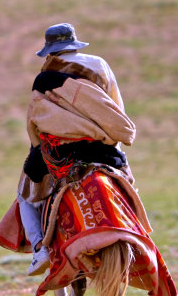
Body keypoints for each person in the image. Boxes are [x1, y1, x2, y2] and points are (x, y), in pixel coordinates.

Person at [18, 22, 129, 276]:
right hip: (101, 146)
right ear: (74, 43)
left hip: (61, 152)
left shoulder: (44, 76)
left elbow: (34, 122)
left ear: (50, 50)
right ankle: (139, 233)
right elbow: (116, 107)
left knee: (25, 196)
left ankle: (39, 251)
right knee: (127, 184)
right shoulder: (100, 65)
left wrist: (38, 147)